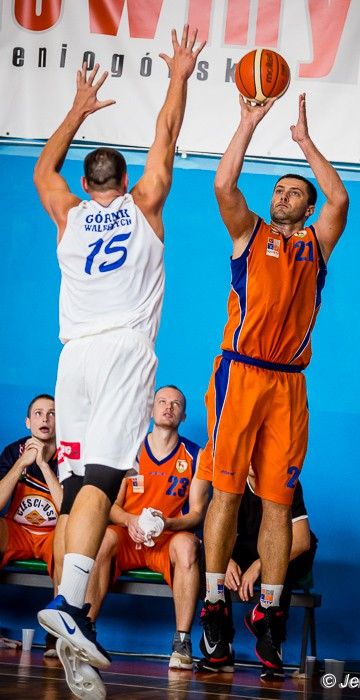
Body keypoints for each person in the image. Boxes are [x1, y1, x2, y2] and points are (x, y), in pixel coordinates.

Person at [33, 25, 205, 700]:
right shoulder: (145, 205)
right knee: (104, 479)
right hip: (122, 351)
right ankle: (69, 607)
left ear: (85, 182)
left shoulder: (68, 214)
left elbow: (42, 172)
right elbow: (166, 134)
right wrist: (179, 76)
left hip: (71, 357)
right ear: (126, 180)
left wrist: (76, 110)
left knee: (79, 487)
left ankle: (71, 616)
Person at [197, 92, 348, 678]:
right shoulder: (248, 233)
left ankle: (269, 611)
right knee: (227, 493)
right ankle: (214, 602)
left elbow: (340, 198)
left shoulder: (317, 246)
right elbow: (223, 185)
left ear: (307, 207)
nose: (282, 195)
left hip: (288, 383)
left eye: (293, 192)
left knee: (279, 503)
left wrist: (304, 144)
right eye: (279, 189)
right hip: (239, 373)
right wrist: (247, 123)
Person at [83, 385, 208, 670]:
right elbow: (110, 506)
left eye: (176, 404)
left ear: (184, 415)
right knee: (102, 539)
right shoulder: (131, 449)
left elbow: (197, 513)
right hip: (129, 534)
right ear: (151, 409)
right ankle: (86, 630)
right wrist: (129, 520)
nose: (168, 407)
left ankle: (182, 642)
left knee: (188, 546)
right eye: (162, 401)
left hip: (168, 537)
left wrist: (168, 523)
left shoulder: (196, 455)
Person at [0, 394, 61, 657]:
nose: (45, 419)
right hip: (18, 532)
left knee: (70, 542)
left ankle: (56, 636)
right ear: (28, 422)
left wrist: (44, 466)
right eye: (38, 413)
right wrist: (21, 464)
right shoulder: (13, 451)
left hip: (54, 534)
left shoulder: (69, 457)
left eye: (52, 413)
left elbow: (68, 509)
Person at [225, 468, 317, 639]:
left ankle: (270, 634)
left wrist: (260, 565)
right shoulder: (229, 481)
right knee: (211, 559)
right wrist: (224, 560)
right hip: (248, 549)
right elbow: (213, 535)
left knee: (286, 559)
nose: (253, 460)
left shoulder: (286, 481)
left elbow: (302, 542)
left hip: (281, 554)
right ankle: (220, 641)